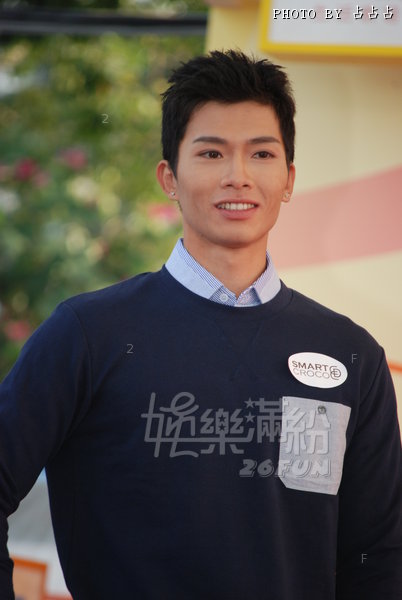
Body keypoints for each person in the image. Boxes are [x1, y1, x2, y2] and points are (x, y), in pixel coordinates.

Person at [0, 50, 401, 600]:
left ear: (288, 179)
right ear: (169, 177)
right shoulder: (89, 335)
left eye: (261, 153)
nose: (238, 177)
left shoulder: (349, 354)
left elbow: (379, 552)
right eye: (211, 153)